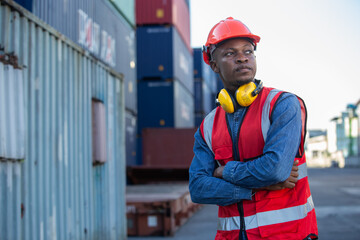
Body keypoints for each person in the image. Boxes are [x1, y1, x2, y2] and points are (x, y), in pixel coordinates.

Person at [189, 17, 318, 240]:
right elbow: (198, 188)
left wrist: (223, 172)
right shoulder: (208, 127)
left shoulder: (282, 104)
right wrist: (253, 189)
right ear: (213, 64)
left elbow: (274, 170)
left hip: (286, 235)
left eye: (248, 51)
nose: (241, 58)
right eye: (230, 53)